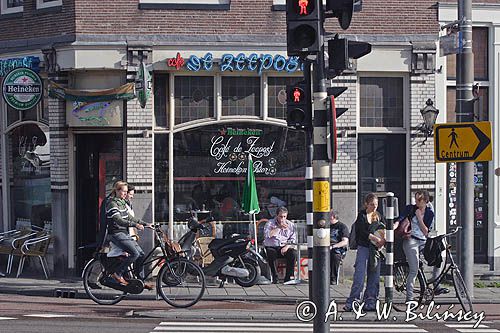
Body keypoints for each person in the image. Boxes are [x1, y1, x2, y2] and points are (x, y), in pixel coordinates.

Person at [394, 190, 448, 302]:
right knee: (414, 269)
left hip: (423, 241)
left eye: (419, 200)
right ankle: (409, 298)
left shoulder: (429, 213)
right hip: (410, 240)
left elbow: (426, 232)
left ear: (426, 201)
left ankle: (435, 283)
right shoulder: (410, 208)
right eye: (416, 199)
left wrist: (419, 218)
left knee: (438, 256)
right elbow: (400, 219)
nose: (417, 202)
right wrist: (393, 226)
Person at [345, 193, 386, 311]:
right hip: (364, 247)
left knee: (374, 275)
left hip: (376, 249)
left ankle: (371, 300)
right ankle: (353, 301)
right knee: (360, 275)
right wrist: (375, 238)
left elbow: (384, 229)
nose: (374, 207)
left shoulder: (378, 216)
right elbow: (362, 231)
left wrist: (383, 240)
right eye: (372, 204)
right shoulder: (362, 216)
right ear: (366, 204)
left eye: (376, 205)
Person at [106, 180, 151, 286]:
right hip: (116, 234)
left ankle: (140, 281)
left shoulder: (122, 203)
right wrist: (135, 225)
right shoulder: (112, 203)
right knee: (134, 253)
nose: (126, 194)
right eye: (124, 191)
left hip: (124, 233)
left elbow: (130, 217)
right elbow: (118, 220)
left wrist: (145, 224)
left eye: (126, 191)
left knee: (141, 255)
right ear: (117, 191)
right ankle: (117, 273)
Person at [263, 206, 297, 284]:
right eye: (281, 216)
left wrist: (287, 246)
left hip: (284, 247)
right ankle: (275, 277)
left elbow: (293, 239)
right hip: (273, 247)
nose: (282, 219)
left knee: (293, 253)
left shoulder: (290, 225)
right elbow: (267, 235)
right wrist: (278, 227)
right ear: (277, 216)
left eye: (284, 216)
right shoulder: (270, 223)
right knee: (271, 253)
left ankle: (288, 277)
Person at [329, 209, 349, 285]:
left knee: (334, 256)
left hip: (338, 250)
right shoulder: (326, 226)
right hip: (326, 248)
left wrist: (333, 246)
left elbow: (344, 241)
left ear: (332, 216)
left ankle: (333, 278)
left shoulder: (342, 227)